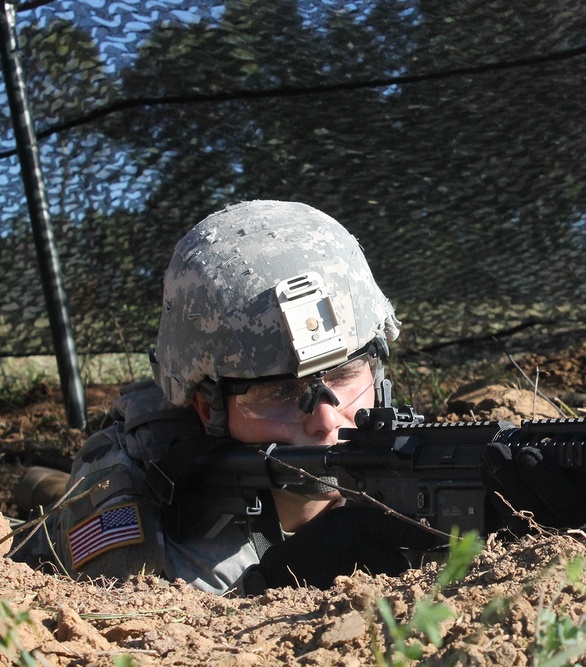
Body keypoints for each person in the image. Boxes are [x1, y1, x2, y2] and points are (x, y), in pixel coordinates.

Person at [14, 200, 441, 595]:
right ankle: (37, 487)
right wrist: (268, 585)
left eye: (346, 374)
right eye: (280, 392)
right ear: (208, 408)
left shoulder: (415, 462)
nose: (327, 420)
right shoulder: (142, 504)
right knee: (45, 515)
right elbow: (139, 634)